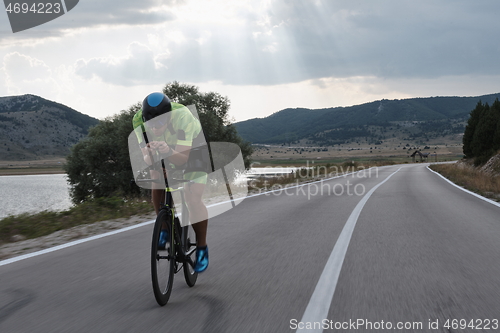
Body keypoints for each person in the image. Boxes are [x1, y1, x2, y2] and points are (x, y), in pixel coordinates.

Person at [132, 92, 210, 273]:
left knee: (193, 198)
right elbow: (146, 156)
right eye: (151, 123)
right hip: (164, 147)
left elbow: (183, 159)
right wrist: (152, 157)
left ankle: (202, 247)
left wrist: (168, 151)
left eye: (160, 123)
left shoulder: (182, 117)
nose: (155, 127)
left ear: (168, 117)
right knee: (156, 177)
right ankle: (165, 227)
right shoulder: (137, 121)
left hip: (193, 149)